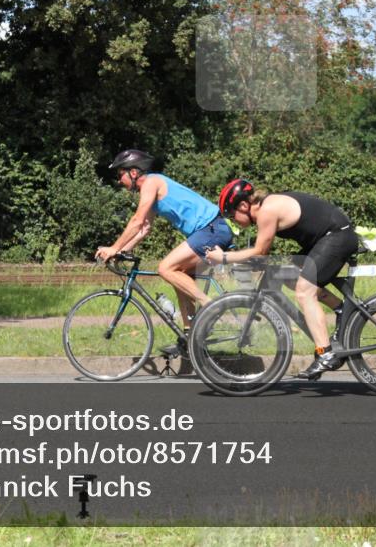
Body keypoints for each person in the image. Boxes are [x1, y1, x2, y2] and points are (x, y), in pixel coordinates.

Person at [205, 179, 359, 380]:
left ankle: (326, 353)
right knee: (285, 274)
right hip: (325, 238)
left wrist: (223, 258)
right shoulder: (267, 206)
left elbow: (260, 252)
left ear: (243, 206)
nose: (233, 221)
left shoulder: (267, 211)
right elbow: (263, 253)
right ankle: (340, 308)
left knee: (304, 291)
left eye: (232, 216)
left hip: (336, 237)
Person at [95, 149, 233, 354]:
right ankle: (190, 335)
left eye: (120, 174)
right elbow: (144, 229)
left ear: (133, 172)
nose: (118, 180)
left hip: (211, 229)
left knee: (165, 268)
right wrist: (121, 251)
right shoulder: (150, 187)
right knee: (177, 275)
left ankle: (212, 306)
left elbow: (136, 221)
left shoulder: (152, 182)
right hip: (209, 231)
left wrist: (114, 248)